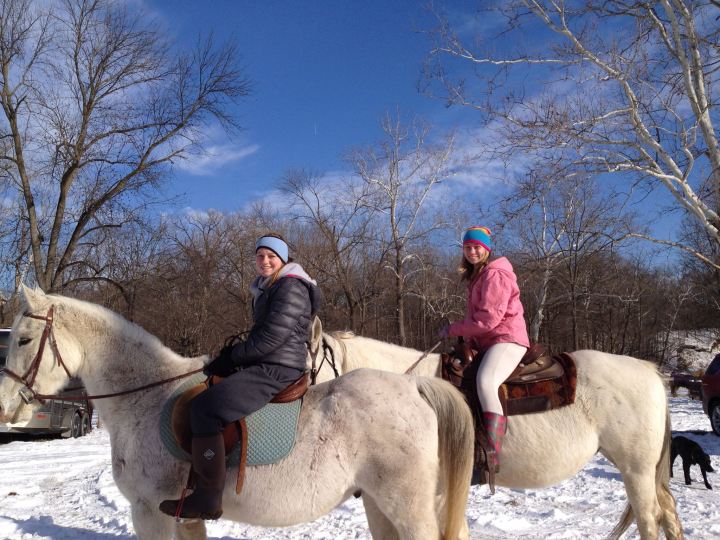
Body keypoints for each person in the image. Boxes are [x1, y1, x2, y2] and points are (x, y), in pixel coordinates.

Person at [160, 233, 323, 520]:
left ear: (283, 259)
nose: (264, 261)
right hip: (269, 361)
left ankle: (208, 497)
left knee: (205, 409)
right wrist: (234, 354)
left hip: (277, 368)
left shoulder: (291, 286)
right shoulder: (270, 287)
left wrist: (232, 358)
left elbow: (272, 339)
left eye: (271, 256)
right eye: (260, 256)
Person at [440, 226, 529, 472]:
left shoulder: (495, 275)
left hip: (507, 338)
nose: (472, 251)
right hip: (490, 341)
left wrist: (453, 329)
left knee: (485, 381)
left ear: (486, 249)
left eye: (477, 247)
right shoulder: (479, 276)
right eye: (468, 247)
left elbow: (488, 320)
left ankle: (492, 449)